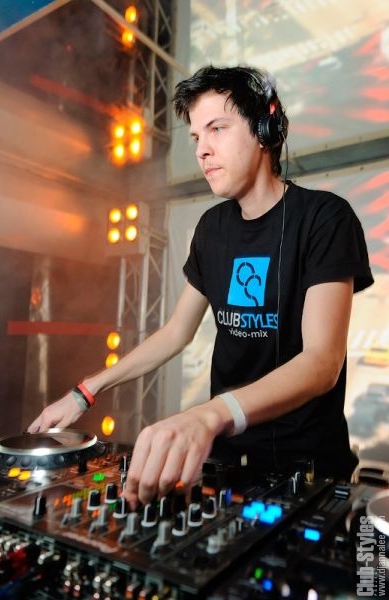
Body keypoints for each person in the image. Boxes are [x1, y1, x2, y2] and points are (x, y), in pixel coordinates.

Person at [28, 65, 373, 508]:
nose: (202, 150)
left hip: (308, 469)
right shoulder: (212, 228)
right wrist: (86, 391)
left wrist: (208, 415)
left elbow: (321, 362)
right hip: (227, 462)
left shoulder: (325, 218)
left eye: (217, 129)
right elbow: (176, 332)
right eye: (195, 137)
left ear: (265, 129)